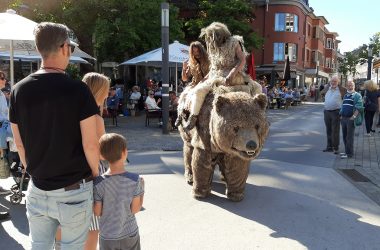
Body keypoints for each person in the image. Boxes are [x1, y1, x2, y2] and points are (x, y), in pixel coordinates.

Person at [9, 22, 100, 249]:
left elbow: (19, 144)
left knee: (39, 245)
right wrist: (97, 175)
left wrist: (36, 169)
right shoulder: (78, 90)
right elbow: (90, 144)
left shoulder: (18, 89)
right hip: (74, 189)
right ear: (63, 47)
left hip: (37, 187)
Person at [180, 22, 261, 131]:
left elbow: (242, 60)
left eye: (210, 37)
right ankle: (193, 117)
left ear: (219, 35)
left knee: (258, 88)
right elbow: (213, 67)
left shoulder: (234, 42)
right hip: (215, 76)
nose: (209, 40)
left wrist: (232, 73)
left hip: (235, 75)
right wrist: (204, 79)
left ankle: (259, 117)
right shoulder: (213, 48)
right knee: (198, 91)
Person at [94, 133, 144, 250]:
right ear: (124, 152)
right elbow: (135, 209)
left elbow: (97, 211)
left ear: (101, 155)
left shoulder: (98, 183)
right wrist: (142, 192)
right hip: (129, 233)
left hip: (107, 236)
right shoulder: (135, 180)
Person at [175, 41, 210, 127]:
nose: (196, 54)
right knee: (183, 94)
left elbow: (213, 71)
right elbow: (184, 79)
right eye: (194, 52)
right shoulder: (191, 62)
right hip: (195, 84)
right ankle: (181, 114)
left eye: (198, 51)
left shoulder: (209, 60)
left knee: (197, 92)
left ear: (201, 51)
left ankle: (193, 117)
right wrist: (184, 68)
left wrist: (205, 80)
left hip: (208, 83)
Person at [321, 75, 346, 154]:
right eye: (332, 81)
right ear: (330, 82)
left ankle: (336, 147)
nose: (333, 82)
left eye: (335, 81)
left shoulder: (342, 90)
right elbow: (321, 93)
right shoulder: (327, 88)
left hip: (336, 112)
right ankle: (329, 147)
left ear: (338, 82)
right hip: (327, 112)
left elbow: (346, 100)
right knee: (328, 130)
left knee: (335, 130)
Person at [339, 80, 363, 159]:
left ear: (354, 86)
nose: (350, 87)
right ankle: (347, 151)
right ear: (346, 86)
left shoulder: (357, 95)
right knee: (345, 136)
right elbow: (343, 106)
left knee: (349, 137)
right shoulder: (346, 95)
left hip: (350, 119)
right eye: (348, 85)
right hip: (344, 118)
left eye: (351, 85)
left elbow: (359, 107)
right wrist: (341, 114)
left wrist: (353, 117)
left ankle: (349, 154)